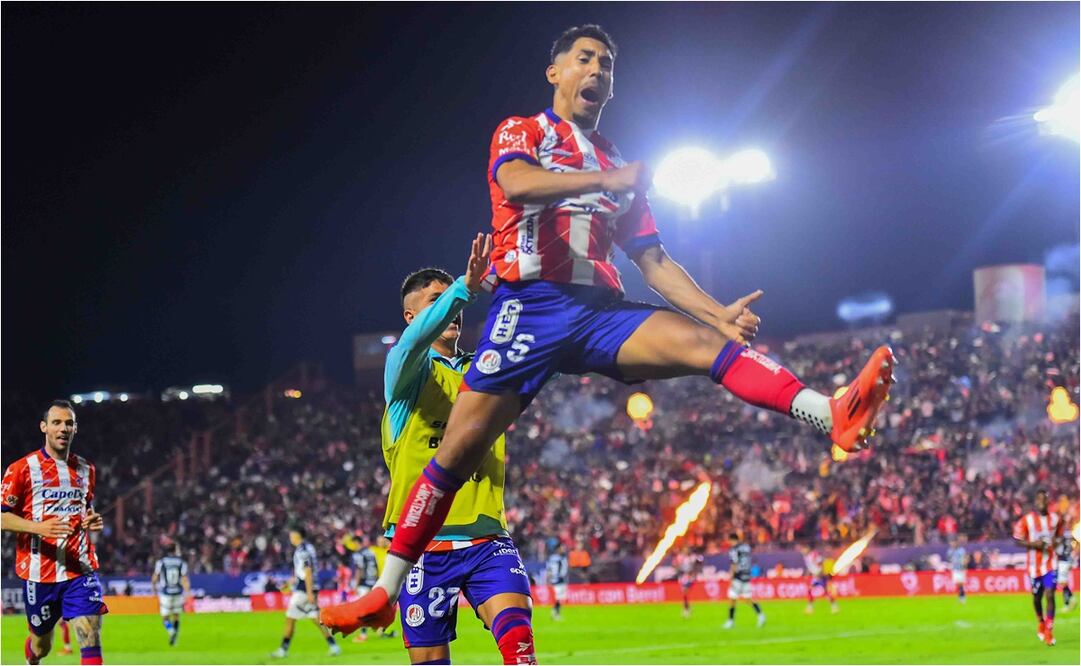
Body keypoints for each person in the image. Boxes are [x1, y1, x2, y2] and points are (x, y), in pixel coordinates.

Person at [331, 22, 895, 633]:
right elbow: (515, 184)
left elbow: (652, 259)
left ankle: (830, 413)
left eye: (606, 62)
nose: (597, 69)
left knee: (707, 346)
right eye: (584, 58)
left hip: (598, 312)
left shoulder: (619, 162)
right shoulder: (523, 133)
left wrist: (717, 312)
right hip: (529, 307)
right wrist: (606, 182)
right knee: (456, 453)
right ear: (556, 72)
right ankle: (386, 589)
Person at [323, 235, 536, 666]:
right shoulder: (405, 375)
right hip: (420, 545)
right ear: (411, 316)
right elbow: (414, 343)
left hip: (487, 535)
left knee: (521, 651)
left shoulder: (483, 372)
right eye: (435, 301)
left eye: (450, 300)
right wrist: (462, 290)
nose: (451, 309)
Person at [0, 400, 107, 665]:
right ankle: (32, 655)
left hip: (79, 569)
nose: (63, 428)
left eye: (69, 423)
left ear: (75, 429)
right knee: (42, 645)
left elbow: (85, 507)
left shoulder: (86, 469)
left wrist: (90, 519)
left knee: (90, 637)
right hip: (40, 574)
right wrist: (38, 527)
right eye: (57, 422)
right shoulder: (22, 469)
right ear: (44, 427)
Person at [271, 527, 340, 658]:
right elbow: (301, 572)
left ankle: (282, 650)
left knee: (290, 619)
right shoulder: (308, 548)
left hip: (303, 590)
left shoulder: (302, 551)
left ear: (298, 535)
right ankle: (334, 646)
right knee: (315, 618)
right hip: (307, 587)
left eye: (292, 535)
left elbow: (307, 571)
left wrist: (309, 592)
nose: (291, 537)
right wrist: (289, 583)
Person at [1012, 489, 1064, 646]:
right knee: (1036, 598)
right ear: (1036, 502)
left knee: (1050, 595)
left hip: (1050, 563)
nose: (1041, 502)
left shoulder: (1055, 519)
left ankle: (1049, 630)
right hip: (1034, 566)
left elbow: (1060, 537)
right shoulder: (1027, 520)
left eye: (1044, 499)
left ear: (1048, 501)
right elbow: (1017, 539)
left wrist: (1056, 542)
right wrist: (1034, 544)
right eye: (1039, 500)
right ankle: (1041, 621)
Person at [350, 535, 395, 643]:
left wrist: (355, 584)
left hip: (366, 583)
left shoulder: (361, 553)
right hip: (374, 582)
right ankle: (380, 630)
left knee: (363, 610)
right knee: (375, 609)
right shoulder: (371, 551)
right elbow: (374, 566)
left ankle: (364, 635)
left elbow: (359, 569)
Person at [151, 543, 190, 646]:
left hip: (166, 593)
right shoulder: (181, 562)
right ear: (175, 550)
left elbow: (155, 577)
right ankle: (175, 636)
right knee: (176, 616)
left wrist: (154, 589)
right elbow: (185, 578)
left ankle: (171, 631)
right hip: (178, 592)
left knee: (165, 617)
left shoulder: (161, 562)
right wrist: (187, 592)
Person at [724, 533, 765, 628]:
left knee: (732, 599)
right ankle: (760, 615)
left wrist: (731, 577)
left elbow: (734, 564)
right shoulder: (746, 547)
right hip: (747, 575)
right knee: (747, 598)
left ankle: (730, 621)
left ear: (731, 540)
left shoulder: (734, 549)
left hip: (738, 576)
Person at [801, 544, 838, 614]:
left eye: (804, 549)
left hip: (820, 576)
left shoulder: (813, 554)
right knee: (813, 591)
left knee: (817, 591)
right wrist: (808, 573)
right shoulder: (806, 557)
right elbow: (811, 567)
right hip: (816, 576)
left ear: (807, 549)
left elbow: (820, 562)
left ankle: (833, 606)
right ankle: (833, 607)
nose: (803, 551)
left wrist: (820, 572)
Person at [675, 547, 703, 618]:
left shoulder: (692, 557)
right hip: (683, 576)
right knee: (684, 592)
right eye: (684, 550)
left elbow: (699, 561)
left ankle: (686, 608)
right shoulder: (680, 557)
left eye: (687, 550)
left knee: (685, 591)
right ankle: (687, 607)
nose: (686, 551)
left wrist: (694, 572)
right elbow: (676, 565)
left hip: (690, 577)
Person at [545, 540, 569, 620]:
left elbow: (549, 569)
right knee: (558, 598)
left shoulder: (557, 558)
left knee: (560, 598)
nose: (563, 549)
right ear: (558, 549)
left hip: (559, 579)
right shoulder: (558, 558)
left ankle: (556, 613)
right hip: (558, 580)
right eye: (562, 548)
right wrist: (550, 578)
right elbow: (551, 569)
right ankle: (555, 613)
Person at [1054, 534, 1076, 612]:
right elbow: (1076, 547)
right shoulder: (1071, 537)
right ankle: (1070, 600)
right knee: (1063, 583)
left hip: (1063, 562)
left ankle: (1069, 602)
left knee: (1062, 583)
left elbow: (1058, 551)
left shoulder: (1061, 538)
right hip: (1068, 561)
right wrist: (1073, 560)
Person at [946, 536, 967, 604]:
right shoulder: (950, 551)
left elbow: (964, 558)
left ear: (956, 542)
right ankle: (960, 597)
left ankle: (962, 598)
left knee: (960, 584)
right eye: (951, 543)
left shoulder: (961, 550)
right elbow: (949, 559)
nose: (952, 544)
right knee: (958, 584)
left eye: (953, 542)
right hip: (954, 569)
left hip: (960, 568)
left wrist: (964, 565)